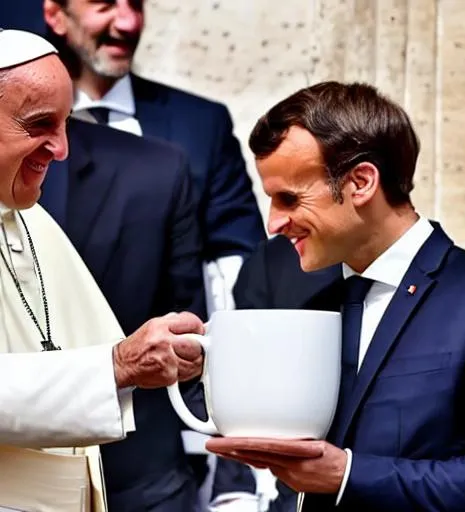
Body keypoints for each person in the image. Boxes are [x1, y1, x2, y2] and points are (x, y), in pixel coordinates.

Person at [207, 81, 465, 511]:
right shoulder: (312, 302)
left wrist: (348, 474)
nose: (274, 222)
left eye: (289, 198)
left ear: (361, 182)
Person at [0, 25, 204, 499]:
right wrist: (117, 365)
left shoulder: (32, 219)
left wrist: (164, 357)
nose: (63, 149)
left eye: (66, 123)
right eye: (39, 125)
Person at [39, 118, 257, 510]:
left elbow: (188, 330)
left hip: (141, 476)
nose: (56, 146)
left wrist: (231, 474)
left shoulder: (154, 168)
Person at [42, 0, 266, 315]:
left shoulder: (201, 124)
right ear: (56, 15)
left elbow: (241, 256)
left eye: (135, 4)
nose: (128, 23)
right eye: (104, 4)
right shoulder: (20, 127)